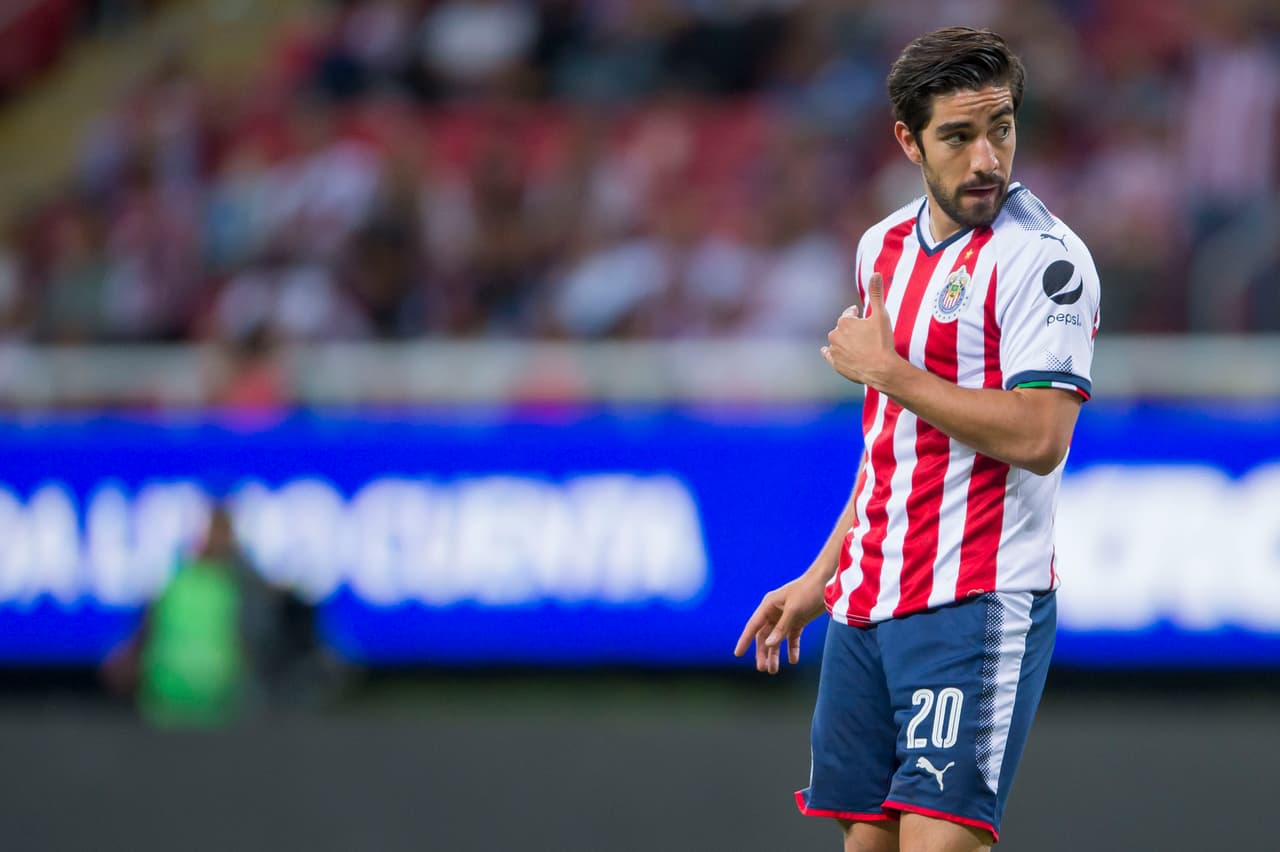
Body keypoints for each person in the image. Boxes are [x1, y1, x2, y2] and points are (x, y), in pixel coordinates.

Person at [734, 27, 1100, 852]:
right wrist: (823, 576)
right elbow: (890, 448)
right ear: (909, 140)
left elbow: (1042, 436)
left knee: (940, 845)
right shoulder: (883, 249)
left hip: (973, 600)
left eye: (1000, 128)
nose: (986, 159)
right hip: (869, 605)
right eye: (958, 136)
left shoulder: (1047, 263)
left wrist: (890, 370)